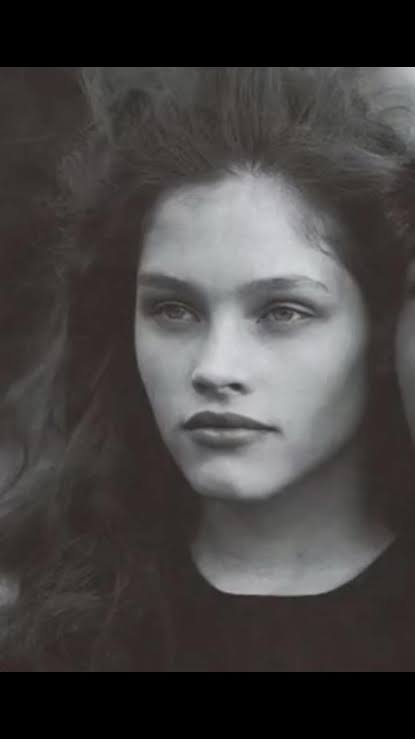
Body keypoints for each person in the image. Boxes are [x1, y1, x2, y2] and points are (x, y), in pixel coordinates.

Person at [3, 67, 415, 672]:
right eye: (173, 310)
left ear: (380, 332)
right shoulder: (54, 626)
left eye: (282, 312)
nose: (214, 368)